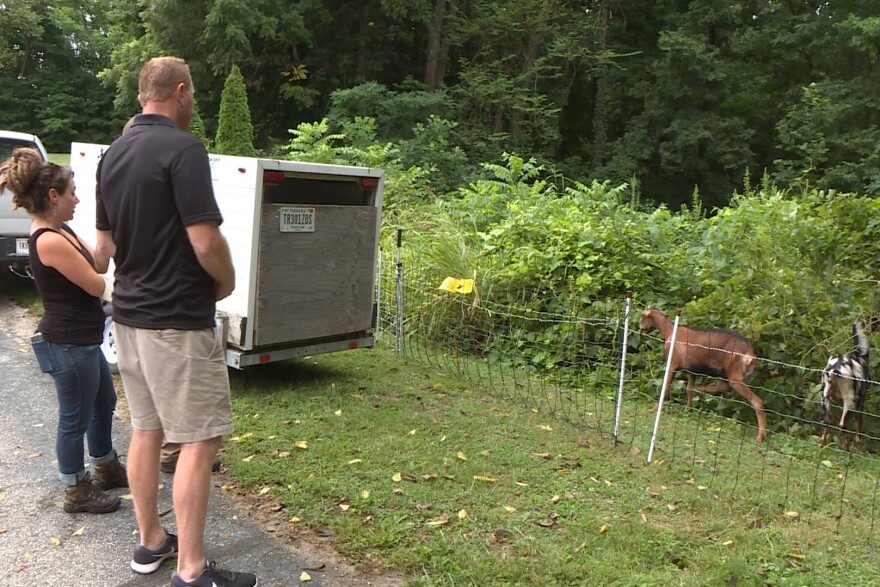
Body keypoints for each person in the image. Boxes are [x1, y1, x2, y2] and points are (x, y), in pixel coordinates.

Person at [95, 56, 256, 587]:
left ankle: (151, 544)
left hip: (129, 317)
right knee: (200, 440)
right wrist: (227, 281)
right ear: (180, 93)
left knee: (145, 428)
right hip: (176, 322)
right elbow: (205, 240)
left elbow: (104, 246)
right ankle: (190, 569)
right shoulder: (183, 149)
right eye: (195, 94)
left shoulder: (113, 154)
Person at [0, 148, 128, 514]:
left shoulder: (63, 229)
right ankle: (76, 489)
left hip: (84, 341)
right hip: (68, 345)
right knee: (74, 419)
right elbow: (94, 285)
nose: (78, 198)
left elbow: (100, 260)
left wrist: (110, 228)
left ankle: (106, 467)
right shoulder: (49, 239)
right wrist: (105, 270)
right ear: (53, 196)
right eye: (73, 191)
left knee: (104, 403)